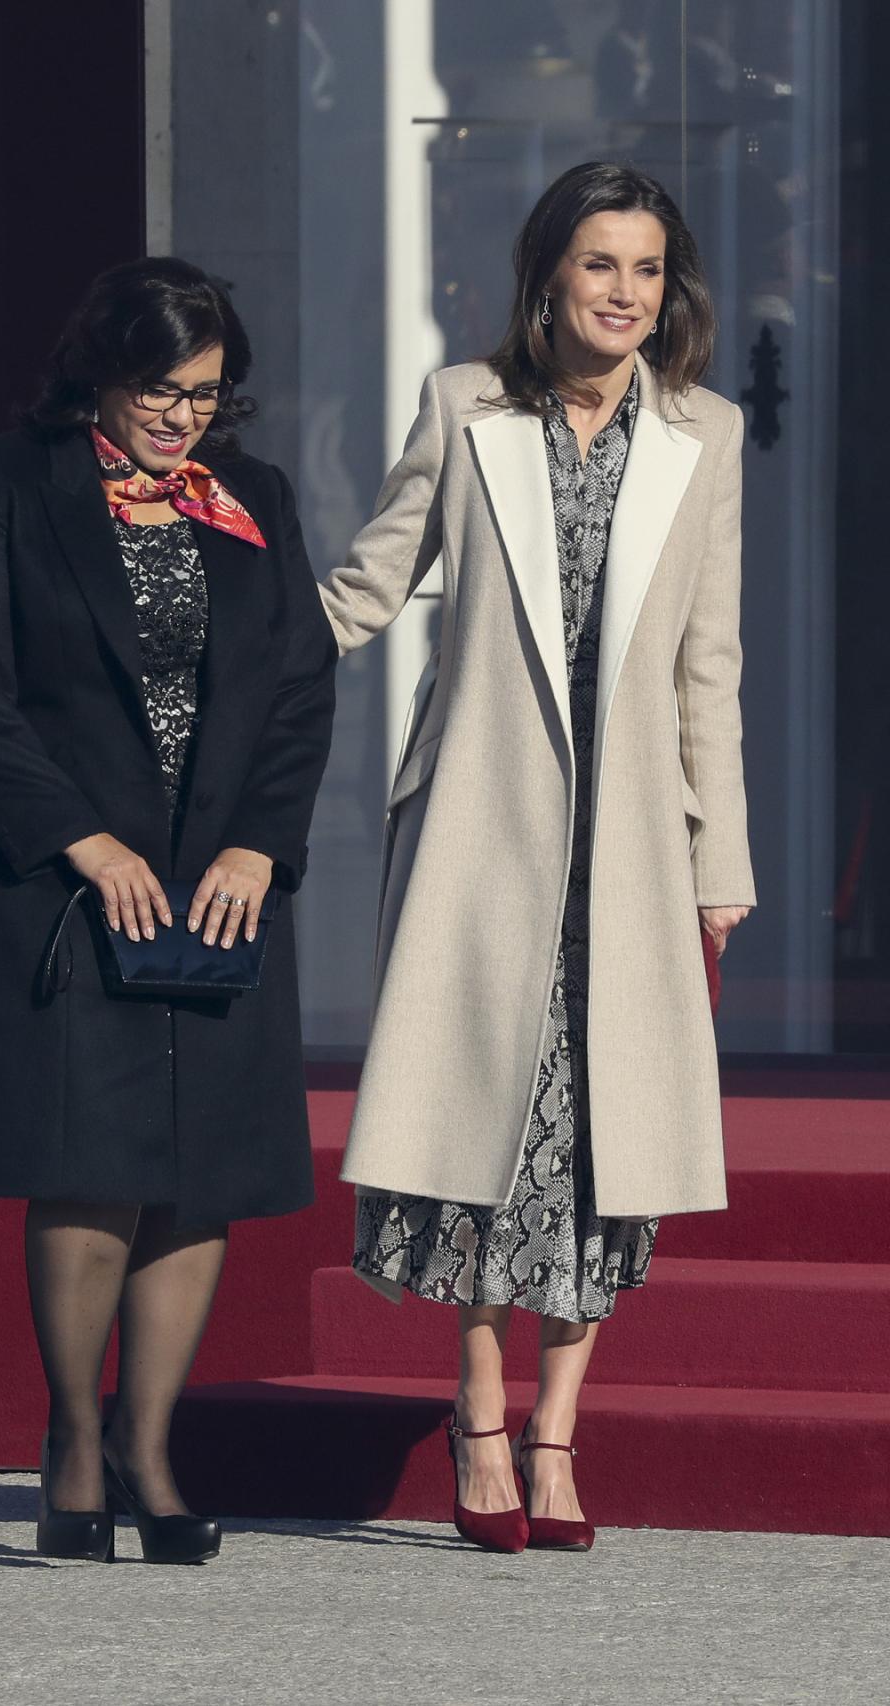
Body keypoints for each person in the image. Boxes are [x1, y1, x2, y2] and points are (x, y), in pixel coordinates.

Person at [320, 162, 754, 1552]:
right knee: (492, 1133)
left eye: (644, 269)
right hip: (482, 830)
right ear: (546, 281)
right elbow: (371, 585)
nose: (623, 293)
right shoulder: (467, 407)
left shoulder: (708, 433)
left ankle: (559, 1425)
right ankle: (482, 1398)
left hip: (632, 848)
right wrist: (205, 641)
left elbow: (709, 669)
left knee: (608, 1141)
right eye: (597, 267)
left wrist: (721, 858)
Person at [0, 258, 336, 1563]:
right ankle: (72, 1436)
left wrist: (263, 846)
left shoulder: (252, 498)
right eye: (161, 389)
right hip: (62, 890)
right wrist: (82, 837)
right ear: (100, 368)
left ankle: (150, 1450)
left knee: (196, 1175)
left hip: (216, 896)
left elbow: (298, 689)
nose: (182, 418)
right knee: (92, 1165)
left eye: (207, 395)